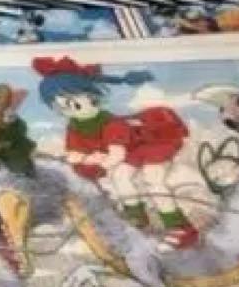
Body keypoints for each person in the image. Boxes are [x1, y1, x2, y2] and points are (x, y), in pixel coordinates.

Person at [33, 55, 198, 248]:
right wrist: (82, 158)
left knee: (153, 179)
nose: (72, 111)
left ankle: (180, 228)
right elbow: (73, 153)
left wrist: (91, 159)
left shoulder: (112, 124)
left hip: (150, 146)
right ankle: (138, 220)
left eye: (75, 104)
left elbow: (116, 156)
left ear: (92, 98)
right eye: (62, 108)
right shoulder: (75, 127)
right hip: (130, 154)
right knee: (120, 176)